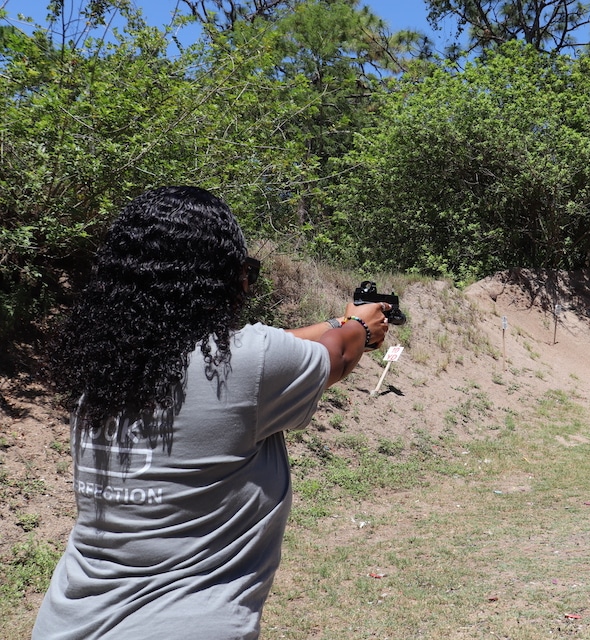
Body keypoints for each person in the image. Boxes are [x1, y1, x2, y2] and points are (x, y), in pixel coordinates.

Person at [32, 186, 390, 639]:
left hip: (67, 623)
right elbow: (337, 355)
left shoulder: (105, 368)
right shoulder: (248, 364)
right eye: (246, 271)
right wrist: (360, 324)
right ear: (219, 277)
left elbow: (257, 347)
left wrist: (337, 323)